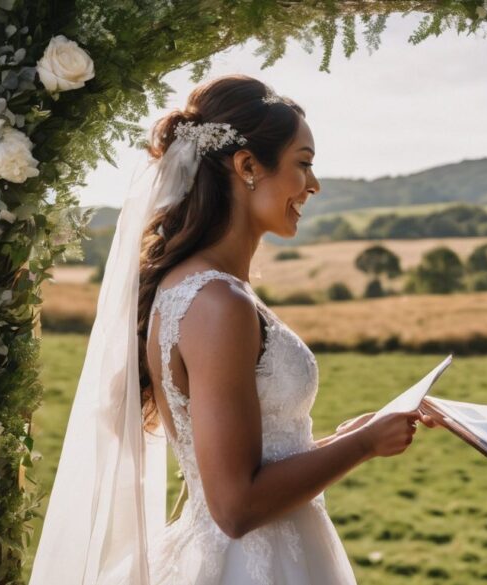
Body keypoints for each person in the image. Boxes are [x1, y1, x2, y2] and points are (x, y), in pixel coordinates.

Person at [30, 75, 424, 585]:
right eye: (303, 163)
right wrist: (365, 445)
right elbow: (236, 506)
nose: (313, 184)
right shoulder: (217, 302)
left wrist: (340, 439)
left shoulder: (197, 289)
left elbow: (247, 459)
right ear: (247, 167)